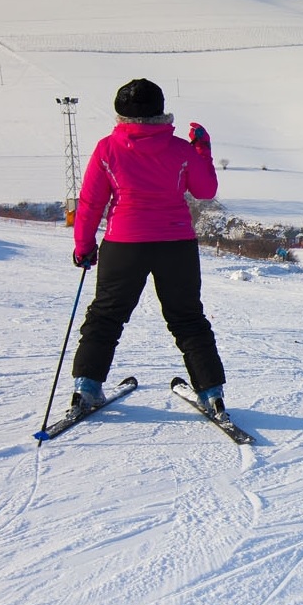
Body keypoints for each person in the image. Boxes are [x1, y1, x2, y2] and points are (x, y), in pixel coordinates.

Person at [69, 78, 230, 419]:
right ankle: (211, 394)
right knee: (188, 318)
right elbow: (205, 190)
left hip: (124, 244)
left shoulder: (107, 148)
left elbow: (91, 202)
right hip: (176, 245)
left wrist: (84, 246)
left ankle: (86, 388)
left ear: (120, 113)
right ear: (161, 111)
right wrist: (202, 149)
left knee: (106, 316)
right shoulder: (180, 150)